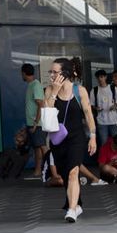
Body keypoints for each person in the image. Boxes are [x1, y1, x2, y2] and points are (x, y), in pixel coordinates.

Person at [43, 58, 96, 222]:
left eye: (55, 72)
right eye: (50, 72)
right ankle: (76, 204)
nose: (52, 75)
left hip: (76, 138)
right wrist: (54, 91)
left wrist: (92, 137)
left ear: (65, 73)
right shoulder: (49, 90)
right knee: (65, 175)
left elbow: (88, 114)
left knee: (74, 172)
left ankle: (71, 210)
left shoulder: (80, 91)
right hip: (58, 140)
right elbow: (47, 111)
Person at [21, 63, 49, 179]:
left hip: (37, 124)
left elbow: (41, 104)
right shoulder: (31, 85)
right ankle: (38, 171)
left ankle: (53, 171)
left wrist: (36, 123)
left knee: (42, 146)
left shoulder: (36, 85)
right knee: (37, 147)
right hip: (32, 123)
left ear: (23, 73)